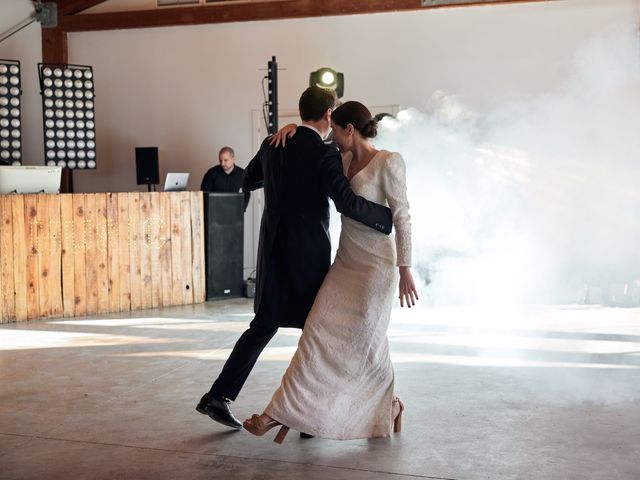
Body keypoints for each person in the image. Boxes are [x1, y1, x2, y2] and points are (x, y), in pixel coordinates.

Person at [195, 88, 394, 430]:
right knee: (317, 333)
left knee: (263, 327)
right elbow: (345, 202)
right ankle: (306, 417)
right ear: (330, 115)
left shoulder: (273, 144)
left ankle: (218, 396)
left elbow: (249, 178)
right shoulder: (324, 154)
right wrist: (386, 218)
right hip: (307, 256)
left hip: (272, 251)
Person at [242, 100, 418, 443]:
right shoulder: (341, 157)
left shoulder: (389, 162)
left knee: (366, 344)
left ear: (348, 130)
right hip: (346, 262)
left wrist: (406, 268)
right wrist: (290, 130)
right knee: (316, 333)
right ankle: (278, 412)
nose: (332, 137)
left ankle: (387, 407)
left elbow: (403, 217)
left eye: (335, 131)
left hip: (377, 266)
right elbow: (312, 143)